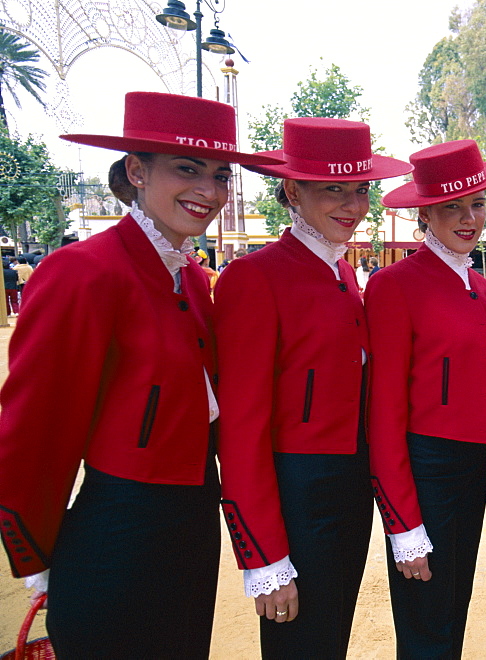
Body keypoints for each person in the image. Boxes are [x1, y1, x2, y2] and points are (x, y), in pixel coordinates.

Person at [0, 91, 282, 657]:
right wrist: (37, 553)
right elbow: (35, 427)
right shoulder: (82, 273)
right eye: (187, 169)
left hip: (192, 533)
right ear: (135, 170)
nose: (209, 191)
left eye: (220, 175)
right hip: (116, 541)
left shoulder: (195, 283)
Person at [213, 117, 411, 658]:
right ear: (293, 191)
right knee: (298, 643)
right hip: (294, 494)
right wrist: (263, 555)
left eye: (360, 189)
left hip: (349, 489)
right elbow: (242, 428)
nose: (353, 204)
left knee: (329, 638)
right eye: (334, 189)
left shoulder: (345, 276)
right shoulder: (254, 278)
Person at [368, 139, 486, 657]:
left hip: (470, 473)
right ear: (426, 213)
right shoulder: (394, 285)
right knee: (426, 624)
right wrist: (403, 523)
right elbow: (384, 415)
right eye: (451, 207)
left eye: (476, 204)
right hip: (425, 473)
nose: (467, 217)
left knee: (451, 614)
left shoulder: (482, 286)